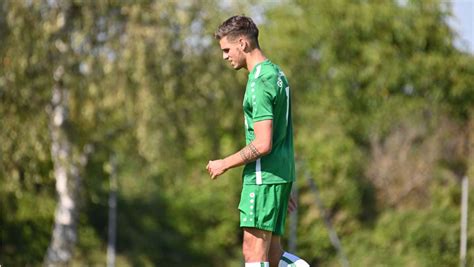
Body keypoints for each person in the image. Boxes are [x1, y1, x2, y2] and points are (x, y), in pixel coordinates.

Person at [206, 15, 310, 267]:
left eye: (227, 49)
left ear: (243, 43)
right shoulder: (276, 73)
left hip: (263, 177)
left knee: (253, 254)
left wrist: (224, 163)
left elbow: (263, 143)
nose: (224, 56)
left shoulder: (259, 81)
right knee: (272, 255)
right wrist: (281, 186)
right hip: (277, 176)